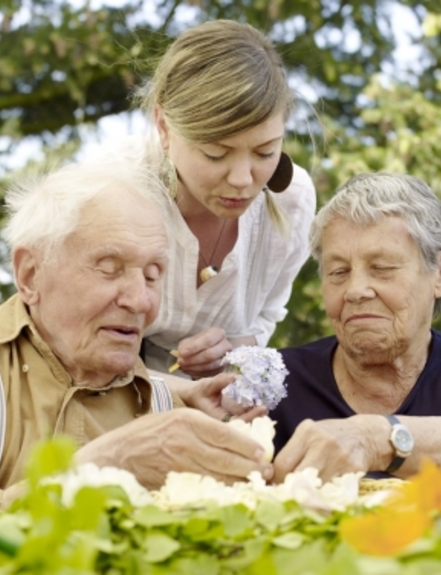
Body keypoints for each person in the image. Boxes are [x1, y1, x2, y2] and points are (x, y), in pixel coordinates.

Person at [0, 160, 273, 513]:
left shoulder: (166, 410)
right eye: (109, 269)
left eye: (153, 275)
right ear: (31, 275)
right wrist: (106, 464)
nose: (140, 300)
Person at [269, 172, 441, 483]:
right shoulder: (280, 377)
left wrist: (374, 438)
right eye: (338, 271)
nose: (355, 290)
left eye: (382, 269)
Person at [86, 19, 316, 379]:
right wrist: (174, 392)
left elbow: (267, 315)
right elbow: (73, 339)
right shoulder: (110, 188)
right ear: (163, 127)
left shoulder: (294, 202)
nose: (242, 180)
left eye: (264, 152)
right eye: (215, 154)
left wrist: (234, 349)